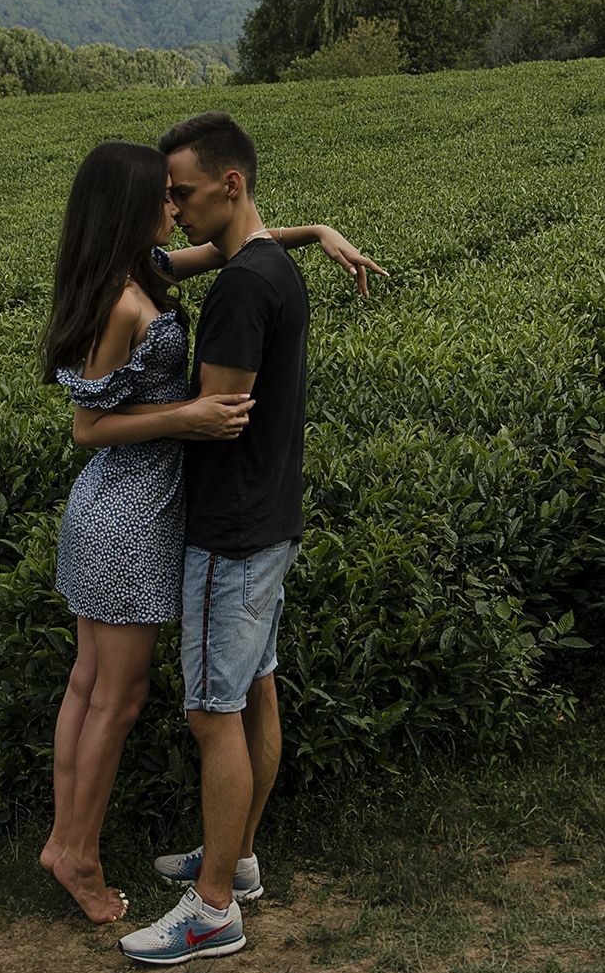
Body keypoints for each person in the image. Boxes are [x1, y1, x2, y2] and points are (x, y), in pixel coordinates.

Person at [39, 137, 381, 925]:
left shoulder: (148, 272)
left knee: (93, 688)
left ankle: (69, 843)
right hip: (125, 513)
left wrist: (316, 231)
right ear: (129, 208)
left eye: (178, 193)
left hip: (143, 503)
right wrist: (185, 415)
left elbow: (237, 241)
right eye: (161, 197)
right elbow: (86, 428)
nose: (173, 207)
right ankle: (76, 856)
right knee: (110, 697)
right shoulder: (121, 300)